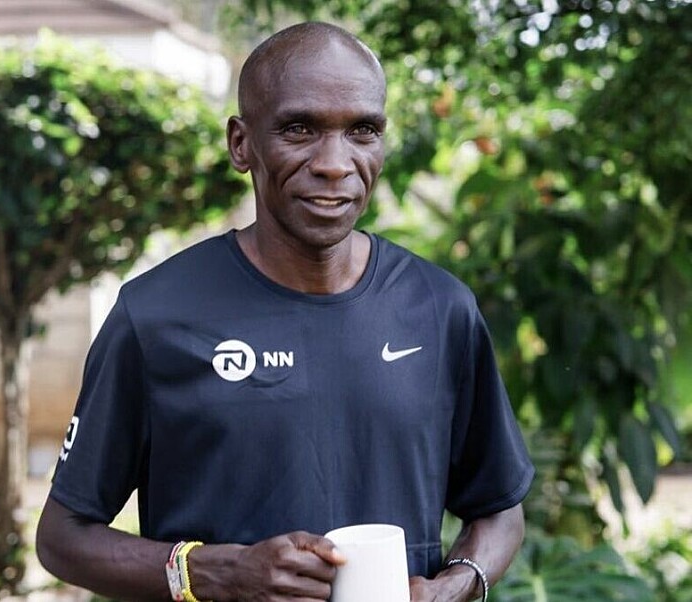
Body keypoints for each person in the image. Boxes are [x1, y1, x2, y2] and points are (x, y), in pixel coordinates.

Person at [35, 21, 534, 602]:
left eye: (363, 130)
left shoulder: (440, 308)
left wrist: (454, 587)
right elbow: (63, 538)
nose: (335, 163)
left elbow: (499, 508)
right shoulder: (154, 316)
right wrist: (212, 572)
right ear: (241, 144)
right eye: (299, 129)